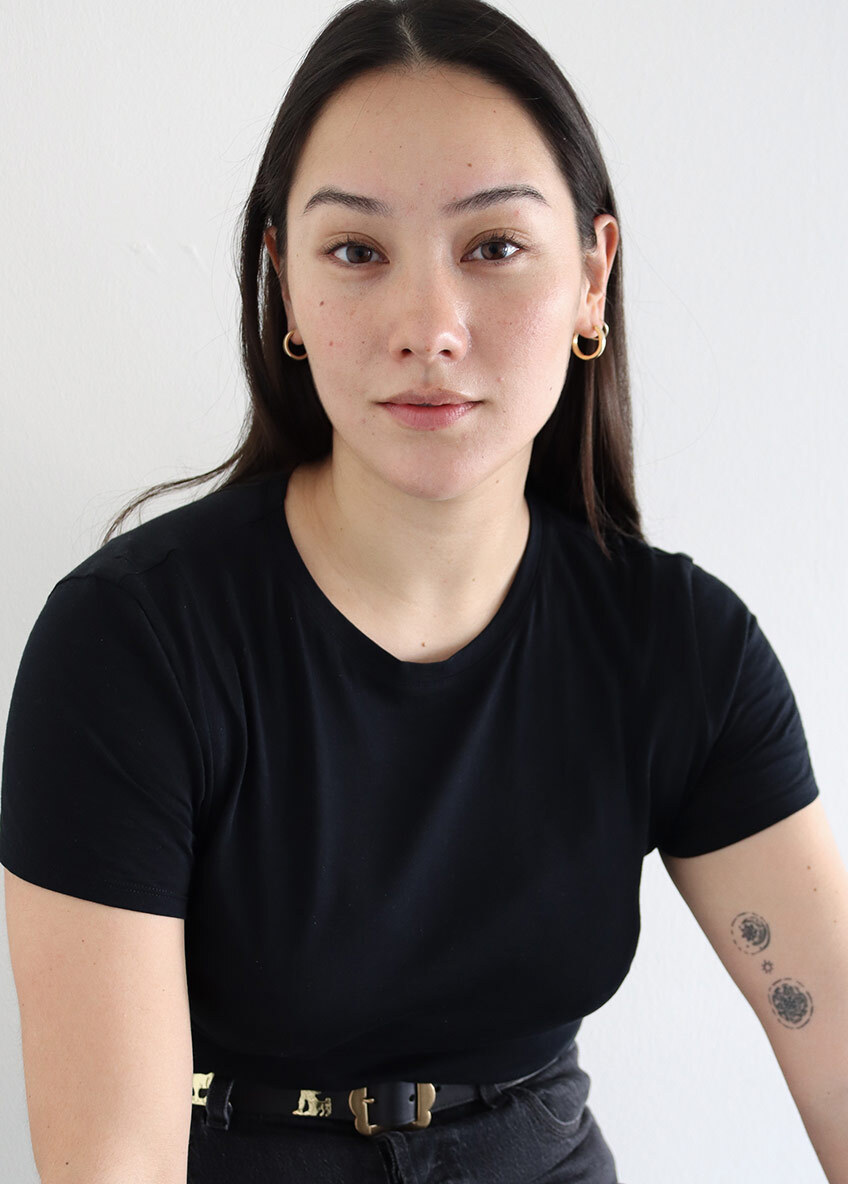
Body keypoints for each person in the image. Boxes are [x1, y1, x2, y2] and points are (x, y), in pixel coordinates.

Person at [3, 1, 843, 1182]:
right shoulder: (129, 647)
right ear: (284, 283)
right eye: (356, 251)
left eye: (492, 246)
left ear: (591, 275)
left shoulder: (682, 649)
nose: (428, 327)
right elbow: (112, 1161)